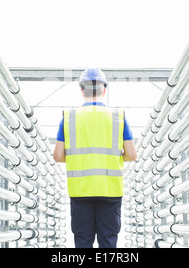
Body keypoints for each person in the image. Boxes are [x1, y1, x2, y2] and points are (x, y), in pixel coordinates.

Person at [53, 68, 137, 248]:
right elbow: (131, 154)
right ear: (104, 90)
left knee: (83, 242)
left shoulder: (68, 118)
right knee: (108, 242)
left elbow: (58, 156)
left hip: (81, 191)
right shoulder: (118, 117)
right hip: (110, 190)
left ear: (81, 90)